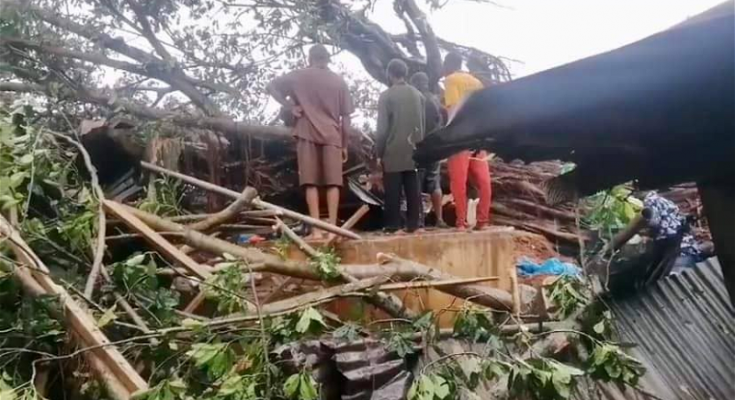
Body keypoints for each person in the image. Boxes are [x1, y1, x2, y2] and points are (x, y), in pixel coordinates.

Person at [267, 45, 354, 239]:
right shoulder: (339, 81)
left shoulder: (298, 76)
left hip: (306, 132)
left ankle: (316, 230)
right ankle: (333, 230)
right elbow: (346, 120)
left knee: (310, 182)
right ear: (328, 59)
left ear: (310, 58)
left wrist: (290, 106)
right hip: (332, 135)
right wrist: (344, 144)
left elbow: (271, 86)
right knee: (333, 183)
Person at [442, 52, 492, 231]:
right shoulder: (476, 82)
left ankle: (461, 223)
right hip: (478, 139)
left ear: (448, 65)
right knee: (484, 181)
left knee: (458, 181)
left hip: (460, 139)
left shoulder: (451, 80)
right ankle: (483, 221)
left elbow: (453, 110)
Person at [376, 59, 425, 233]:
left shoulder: (386, 96)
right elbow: (423, 124)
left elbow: (382, 129)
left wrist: (379, 152)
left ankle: (392, 225)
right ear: (405, 73)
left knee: (393, 190)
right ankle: (414, 223)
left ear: (390, 74)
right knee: (413, 188)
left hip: (393, 150)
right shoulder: (418, 95)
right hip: (414, 148)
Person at [409, 71, 447, 228]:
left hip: (417, 146)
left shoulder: (412, 100)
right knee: (434, 182)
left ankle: (419, 220)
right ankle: (439, 219)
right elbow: (443, 121)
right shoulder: (435, 99)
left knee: (416, 183)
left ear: (415, 83)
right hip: (435, 146)